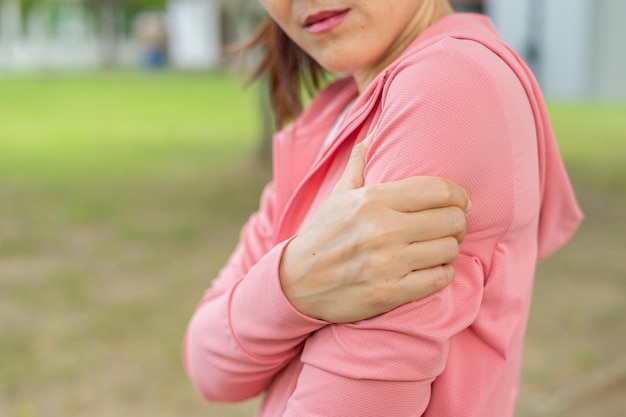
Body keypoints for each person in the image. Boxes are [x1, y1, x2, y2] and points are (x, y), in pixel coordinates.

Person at [183, 1, 583, 416]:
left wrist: (276, 302)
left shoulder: (446, 84)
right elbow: (208, 365)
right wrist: (292, 285)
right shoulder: (334, 115)